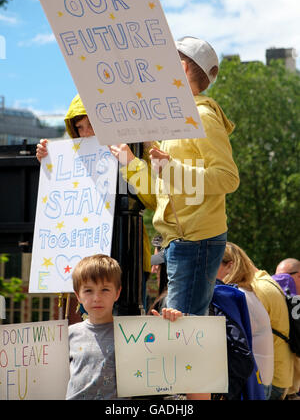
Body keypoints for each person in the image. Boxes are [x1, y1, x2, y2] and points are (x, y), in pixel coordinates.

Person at [109, 36, 239, 320]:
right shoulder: (174, 122)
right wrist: (131, 163)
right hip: (182, 241)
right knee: (180, 333)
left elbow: (228, 178)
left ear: (180, 68)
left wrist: (170, 169)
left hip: (194, 241)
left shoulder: (201, 117)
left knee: (183, 337)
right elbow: (160, 197)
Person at [36, 94, 152, 312]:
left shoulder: (132, 151)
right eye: (79, 127)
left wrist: (131, 163)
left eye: (92, 124)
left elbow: (154, 198)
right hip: (86, 265)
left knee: (128, 335)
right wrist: (50, 161)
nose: (86, 132)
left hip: (127, 260)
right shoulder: (72, 161)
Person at [66, 253, 182, 400]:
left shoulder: (133, 333)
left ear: (117, 293)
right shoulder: (69, 335)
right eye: (88, 290)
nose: (97, 298)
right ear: (78, 296)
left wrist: (168, 329)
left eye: (105, 290)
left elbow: (162, 360)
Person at [216, 242, 274, 393]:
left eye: (213, 262)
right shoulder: (247, 292)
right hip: (260, 379)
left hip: (254, 383)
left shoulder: (238, 296)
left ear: (230, 266)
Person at [251, 261, 294, 400]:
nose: (282, 280)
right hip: (281, 376)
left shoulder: (259, 288)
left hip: (272, 379)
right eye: (278, 276)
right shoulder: (268, 285)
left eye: (286, 276)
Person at [273, 258, 300, 401]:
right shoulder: (277, 302)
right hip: (282, 388)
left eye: (284, 278)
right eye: (276, 277)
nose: (278, 282)